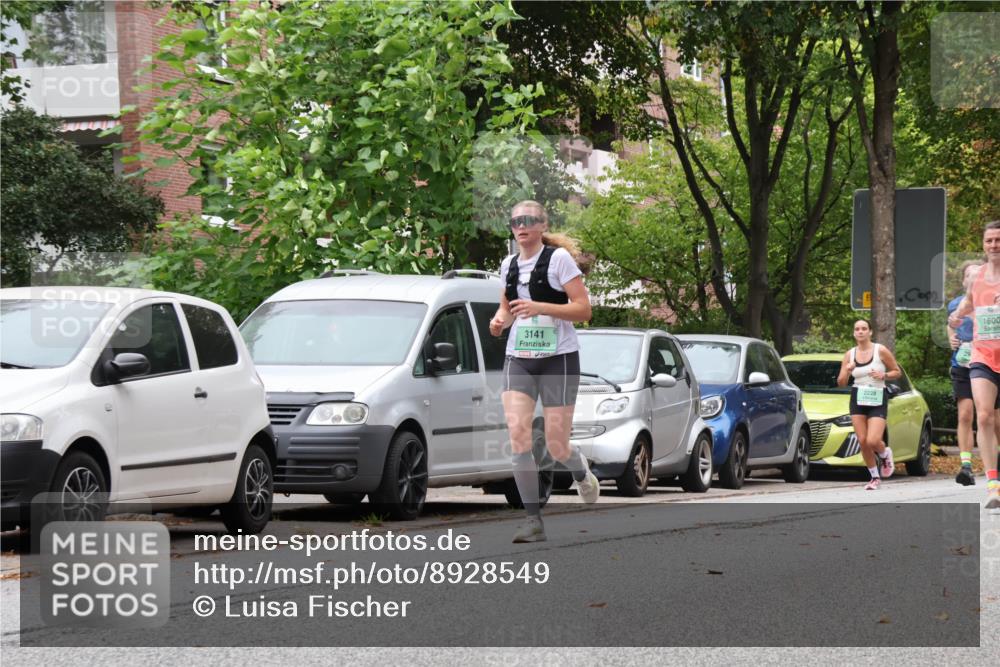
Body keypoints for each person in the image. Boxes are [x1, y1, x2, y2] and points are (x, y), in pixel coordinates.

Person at [489, 200, 597, 543]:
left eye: (529, 220)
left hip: (558, 358)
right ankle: (533, 520)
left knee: (556, 446)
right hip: (519, 357)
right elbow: (508, 308)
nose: (522, 226)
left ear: (542, 224)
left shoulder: (558, 260)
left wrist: (540, 307)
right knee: (519, 438)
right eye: (516, 220)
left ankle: (577, 467)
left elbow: (583, 310)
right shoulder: (508, 264)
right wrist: (499, 322)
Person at [948, 220, 1000, 509]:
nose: (994, 245)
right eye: (990, 240)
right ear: (984, 244)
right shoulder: (979, 275)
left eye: (998, 240)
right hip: (982, 355)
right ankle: (993, 485)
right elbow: (968, 302)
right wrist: (956, 316)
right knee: (983, 416)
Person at [836, 319, 903, 490]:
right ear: (854, 333)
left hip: (877, 396)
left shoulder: (880, 350)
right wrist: (848, 370)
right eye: (857, 329)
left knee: (873, 440)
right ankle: (874, 477)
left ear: (870, 332)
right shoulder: (849, 354)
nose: (860, 331)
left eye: (864, 328)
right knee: (863, 441)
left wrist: (883, 375)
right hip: (858, 396)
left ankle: (884, 453)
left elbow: (897, 372)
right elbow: (841, 382)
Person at [947, 260, 984, 486]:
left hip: (988, 364)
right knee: (965, 414)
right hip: (962, 364)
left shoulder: (991, 301)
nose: (972, 279)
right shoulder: (955, 304)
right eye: (968, 276)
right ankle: (966, 466)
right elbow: (951, 325)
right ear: (963, 281)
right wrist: (951, 336)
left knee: (990, 418)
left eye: (976, 275)